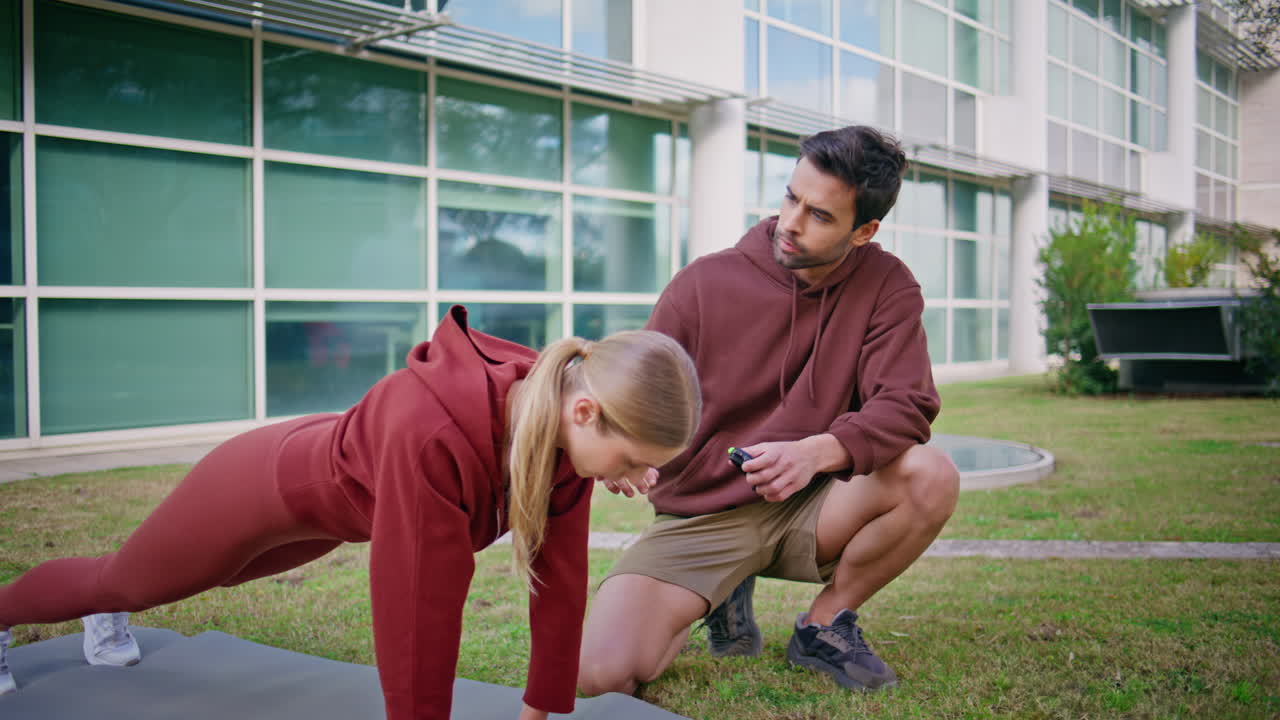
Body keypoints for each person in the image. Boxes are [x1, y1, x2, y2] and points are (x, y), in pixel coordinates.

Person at [0, 305, 702, 720]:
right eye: (637, 459)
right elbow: (419, 611)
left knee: (215, 578)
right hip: (262, 484)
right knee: (128, 580)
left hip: (328, 517)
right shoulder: (431, 433)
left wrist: (539, 710)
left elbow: (561, 578)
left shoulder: (563, 440)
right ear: (586, 412)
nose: (642, 481)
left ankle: (108, 606)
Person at [577, 126, 960, 696]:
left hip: (812, 504)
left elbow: (907, 404)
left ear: (865, 231)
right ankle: (718, 592)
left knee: (930, 476)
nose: (792, 222)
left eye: (821, 216)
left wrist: (817, 452)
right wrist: (628, 449)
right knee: (599, 675)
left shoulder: (887, 287)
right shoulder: (705, 282)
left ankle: (824, 626)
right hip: (701, 515)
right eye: (790, 198)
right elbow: (641, 386)